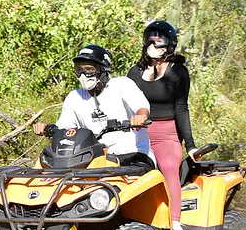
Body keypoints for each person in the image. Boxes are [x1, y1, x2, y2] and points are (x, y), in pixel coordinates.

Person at [33, 44, 156, 172]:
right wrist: (48, 128)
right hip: (95, 159)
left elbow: (141, 106)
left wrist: (140, 116)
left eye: (89, 69)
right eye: (79, 69)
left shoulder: (121, 84)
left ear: (103, 69)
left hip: (133, 155)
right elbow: (64, 128)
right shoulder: (75, 97)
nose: (83, 75)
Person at [127, 21, 197, 230]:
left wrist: (191, 144)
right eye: (151, 37)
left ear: (170, 44)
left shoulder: (178, 72)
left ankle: (175, 222)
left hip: (167, 134)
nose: (154, 41)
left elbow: (181, 108)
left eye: (160, 38)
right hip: (137, 133)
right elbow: (124, 104)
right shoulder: (134, 72)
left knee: (168, 167)